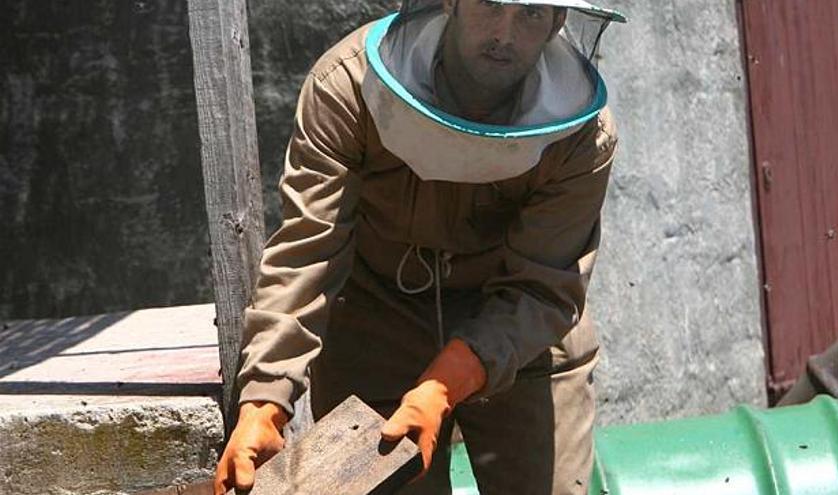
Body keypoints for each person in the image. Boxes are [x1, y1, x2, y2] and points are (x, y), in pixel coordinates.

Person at [213, 1, 625, 493]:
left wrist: (450, 378)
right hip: (376, 318)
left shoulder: (584, 135)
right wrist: (264, 397)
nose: (505, 33)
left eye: (532, 14)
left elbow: (543, 286)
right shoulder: (347, 87)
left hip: (522, 335)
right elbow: (308, 252)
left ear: (559, 23)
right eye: (489, 4)